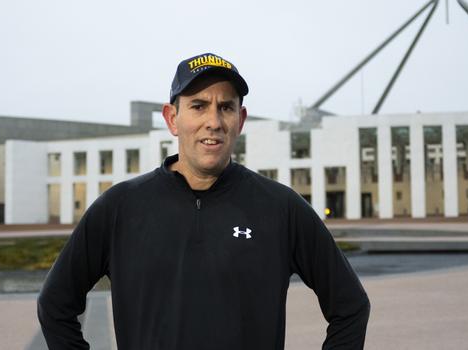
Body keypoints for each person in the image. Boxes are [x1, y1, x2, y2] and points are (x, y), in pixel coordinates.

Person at [37, 52, 370, 349]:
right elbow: (55, 304)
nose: (214, 121)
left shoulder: (280, 207)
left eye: (226, 107)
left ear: (240, 121)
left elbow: (350, 306)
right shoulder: (121, 207)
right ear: (171, 118)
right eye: (198, 106)